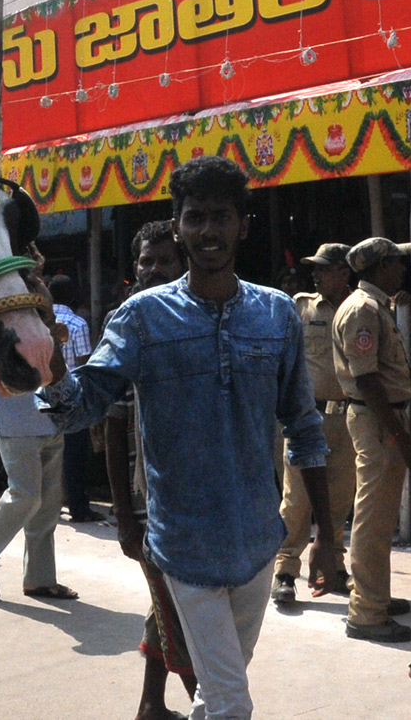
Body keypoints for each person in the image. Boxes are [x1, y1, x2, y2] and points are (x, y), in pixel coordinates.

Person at [38, 156, 339, 720]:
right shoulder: (142, 318)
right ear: (177, 225)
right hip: (182, 543)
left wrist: (326, 533)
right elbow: (79, 410)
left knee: (213, 697)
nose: (208, 232)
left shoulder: (276, 315)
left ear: (242, 226)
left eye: (221, 217)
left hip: (257, 543)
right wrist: (50, 366)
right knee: (231, 703)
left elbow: (304, 427)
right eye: (195, 218)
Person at [104, 219, 196, 720]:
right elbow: (114, 429)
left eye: (165, 260)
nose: (155, 270)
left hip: (198, 494)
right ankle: (214, 705)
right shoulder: (127, 323)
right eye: (146, 261)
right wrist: (124, 517)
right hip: (150, 501)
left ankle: (149, 706)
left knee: (168, 605)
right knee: (179, 610)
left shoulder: (198, 315)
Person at [333, 237, 411, 642]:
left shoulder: (378, 304)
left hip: (381, 417)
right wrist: (399, 435)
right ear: (378, 267)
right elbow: (367, 379)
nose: (401, 268)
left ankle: (374, 595)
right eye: (394, 261)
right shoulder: (363, 308)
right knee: (373, 519)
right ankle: (367, 613)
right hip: (377, 418)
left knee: (380, 514)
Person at [272, 243, 358, 606]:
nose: (317, 275)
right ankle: (285, 571)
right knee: (296, 500)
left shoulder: (363, 308)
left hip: (349, 418)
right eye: (316, 270)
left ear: (344, 272)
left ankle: (333, 566)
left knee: (339, 498)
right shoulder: (301, 306)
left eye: (325, 269)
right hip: (308, 418)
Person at [0, 384, 79, 602]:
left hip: (53, 421)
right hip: (17, 421)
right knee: (25, 494)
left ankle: (40, 580)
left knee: (48, 505)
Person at [49, 275, 99, 523]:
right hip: (69, 395)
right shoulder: (77, 324)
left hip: (43, 395)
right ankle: (78, 507)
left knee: (48, 453)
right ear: (73, 297)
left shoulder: (40, 322)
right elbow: (83, 365)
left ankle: (51, 505)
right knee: (74, 454)